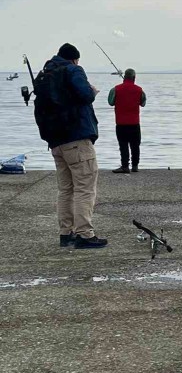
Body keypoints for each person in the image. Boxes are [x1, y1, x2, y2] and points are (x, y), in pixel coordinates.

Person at [38, 43, 107, 249]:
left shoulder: (47, 73)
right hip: (77, 139)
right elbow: (85, 95)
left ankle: (65, 233)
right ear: (75, 59)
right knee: (85, 188)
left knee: (65, 189)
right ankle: (85, 234)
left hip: (56, 142)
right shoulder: (73, 70)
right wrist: (92, 91)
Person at [108, 68, 146, 173]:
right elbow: (143, 103)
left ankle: (125, 166)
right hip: (134, 123)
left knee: (123, 145)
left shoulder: (116, 89)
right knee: (135, 145)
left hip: (121, 123)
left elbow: (110, 102)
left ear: (124, 77)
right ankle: (135, 166)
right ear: (134, 78)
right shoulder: (139, 90)